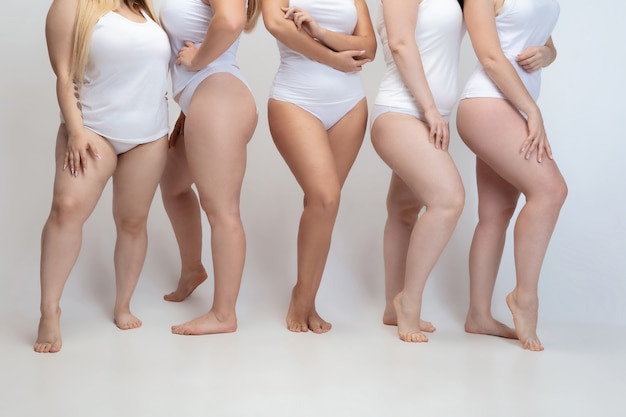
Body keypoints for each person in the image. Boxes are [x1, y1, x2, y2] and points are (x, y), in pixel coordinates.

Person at [35, 0, 170, 353]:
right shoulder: (71, 5)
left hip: (149, 134)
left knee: (132, 222)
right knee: (66, 209)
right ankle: (49, 310)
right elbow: (63, 75)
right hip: (92, 130)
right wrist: (76, 131)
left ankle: (123, 304)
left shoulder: (145, 10)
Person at [458, 0, 567, 351]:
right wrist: (531, 109)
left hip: (511, 103)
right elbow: (490, 56)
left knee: (495, 214)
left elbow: (544, 41)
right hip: (489, 101)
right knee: (550, 191)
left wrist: (547, 56)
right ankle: (525, 298)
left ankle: (478, 315)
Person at [262, 0, 376, 333]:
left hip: (350, 104)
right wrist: (333, 57)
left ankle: (308, 298)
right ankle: (301, 296)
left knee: (325, 204)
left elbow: (368, 46)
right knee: (324, 197)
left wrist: (319, 31)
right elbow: (276, 25)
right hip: (295, 99)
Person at [158, 0, 260, 335]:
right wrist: (190, 111)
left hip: (219, 96)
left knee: (222, 210)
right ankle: (192, 269)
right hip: (204, 99)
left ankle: (223, 314)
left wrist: (197, 60)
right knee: (173, 183)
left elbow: (231, 21)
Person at [370, 0, 465, 342]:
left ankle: (392, 307)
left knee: (404, 211)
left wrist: (547, 51)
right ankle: (409, 301)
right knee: (448, 201)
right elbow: (400, 42)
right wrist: (430, 109)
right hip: (401, 111)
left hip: (430, 116)